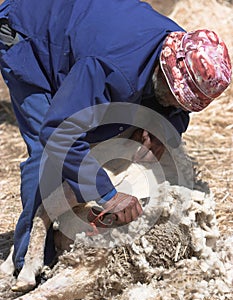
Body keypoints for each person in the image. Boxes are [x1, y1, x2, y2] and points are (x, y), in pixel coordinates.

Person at [0, 0, 231, 275]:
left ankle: (69, 222)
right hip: (28, 35)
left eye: (184, 104)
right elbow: (59, 133)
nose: (177, 105)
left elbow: (174, 105)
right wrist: (106, 194)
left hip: (81, 34)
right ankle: (33, 263)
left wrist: (166, 127)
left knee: (112, 127)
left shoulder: (183, 47)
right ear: (165, 71)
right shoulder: (108, 65)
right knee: (46, 153)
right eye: (175, 98)